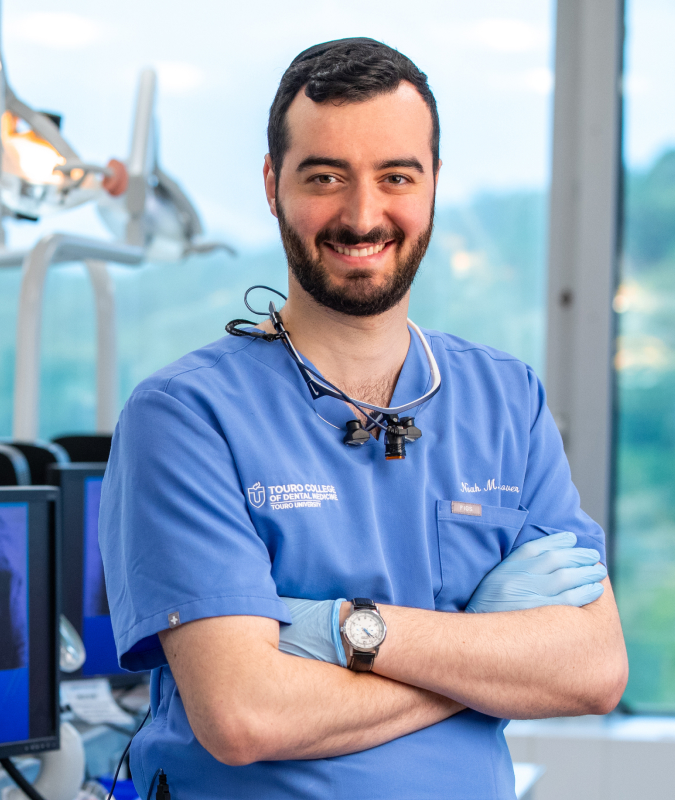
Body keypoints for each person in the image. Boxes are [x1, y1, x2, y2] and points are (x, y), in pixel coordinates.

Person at [99, 38, 628, 799]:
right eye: (325, 177)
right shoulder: (185, 419)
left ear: (434, 185)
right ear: (273, 184)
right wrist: (487, 654)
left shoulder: (508, 400)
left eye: (396, 176)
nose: (362, 213)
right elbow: (243, 713)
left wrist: (343, 630)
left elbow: (595, 668)